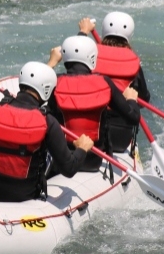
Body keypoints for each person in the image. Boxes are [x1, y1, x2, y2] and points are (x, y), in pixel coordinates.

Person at [0, 62, 94, 202]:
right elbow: (69, 169)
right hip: (23, 195)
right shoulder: (48, 122)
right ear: (47, 90)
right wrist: (82, 149)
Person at [48, 35, 140, 171]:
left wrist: (51, 63)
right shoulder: (104, 83)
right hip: (93, 161)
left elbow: (34, 98)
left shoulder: (54, 82)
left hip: (60, 162)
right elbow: (133, 118)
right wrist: (131, 99)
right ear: (92, 58)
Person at [78, 12, 151, 153]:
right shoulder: (133, 63)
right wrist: (129, 99)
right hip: (120, 138)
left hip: (89, 132)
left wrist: (83, 33)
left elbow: (74, 56)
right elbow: (144, 99)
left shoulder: (89, 56)